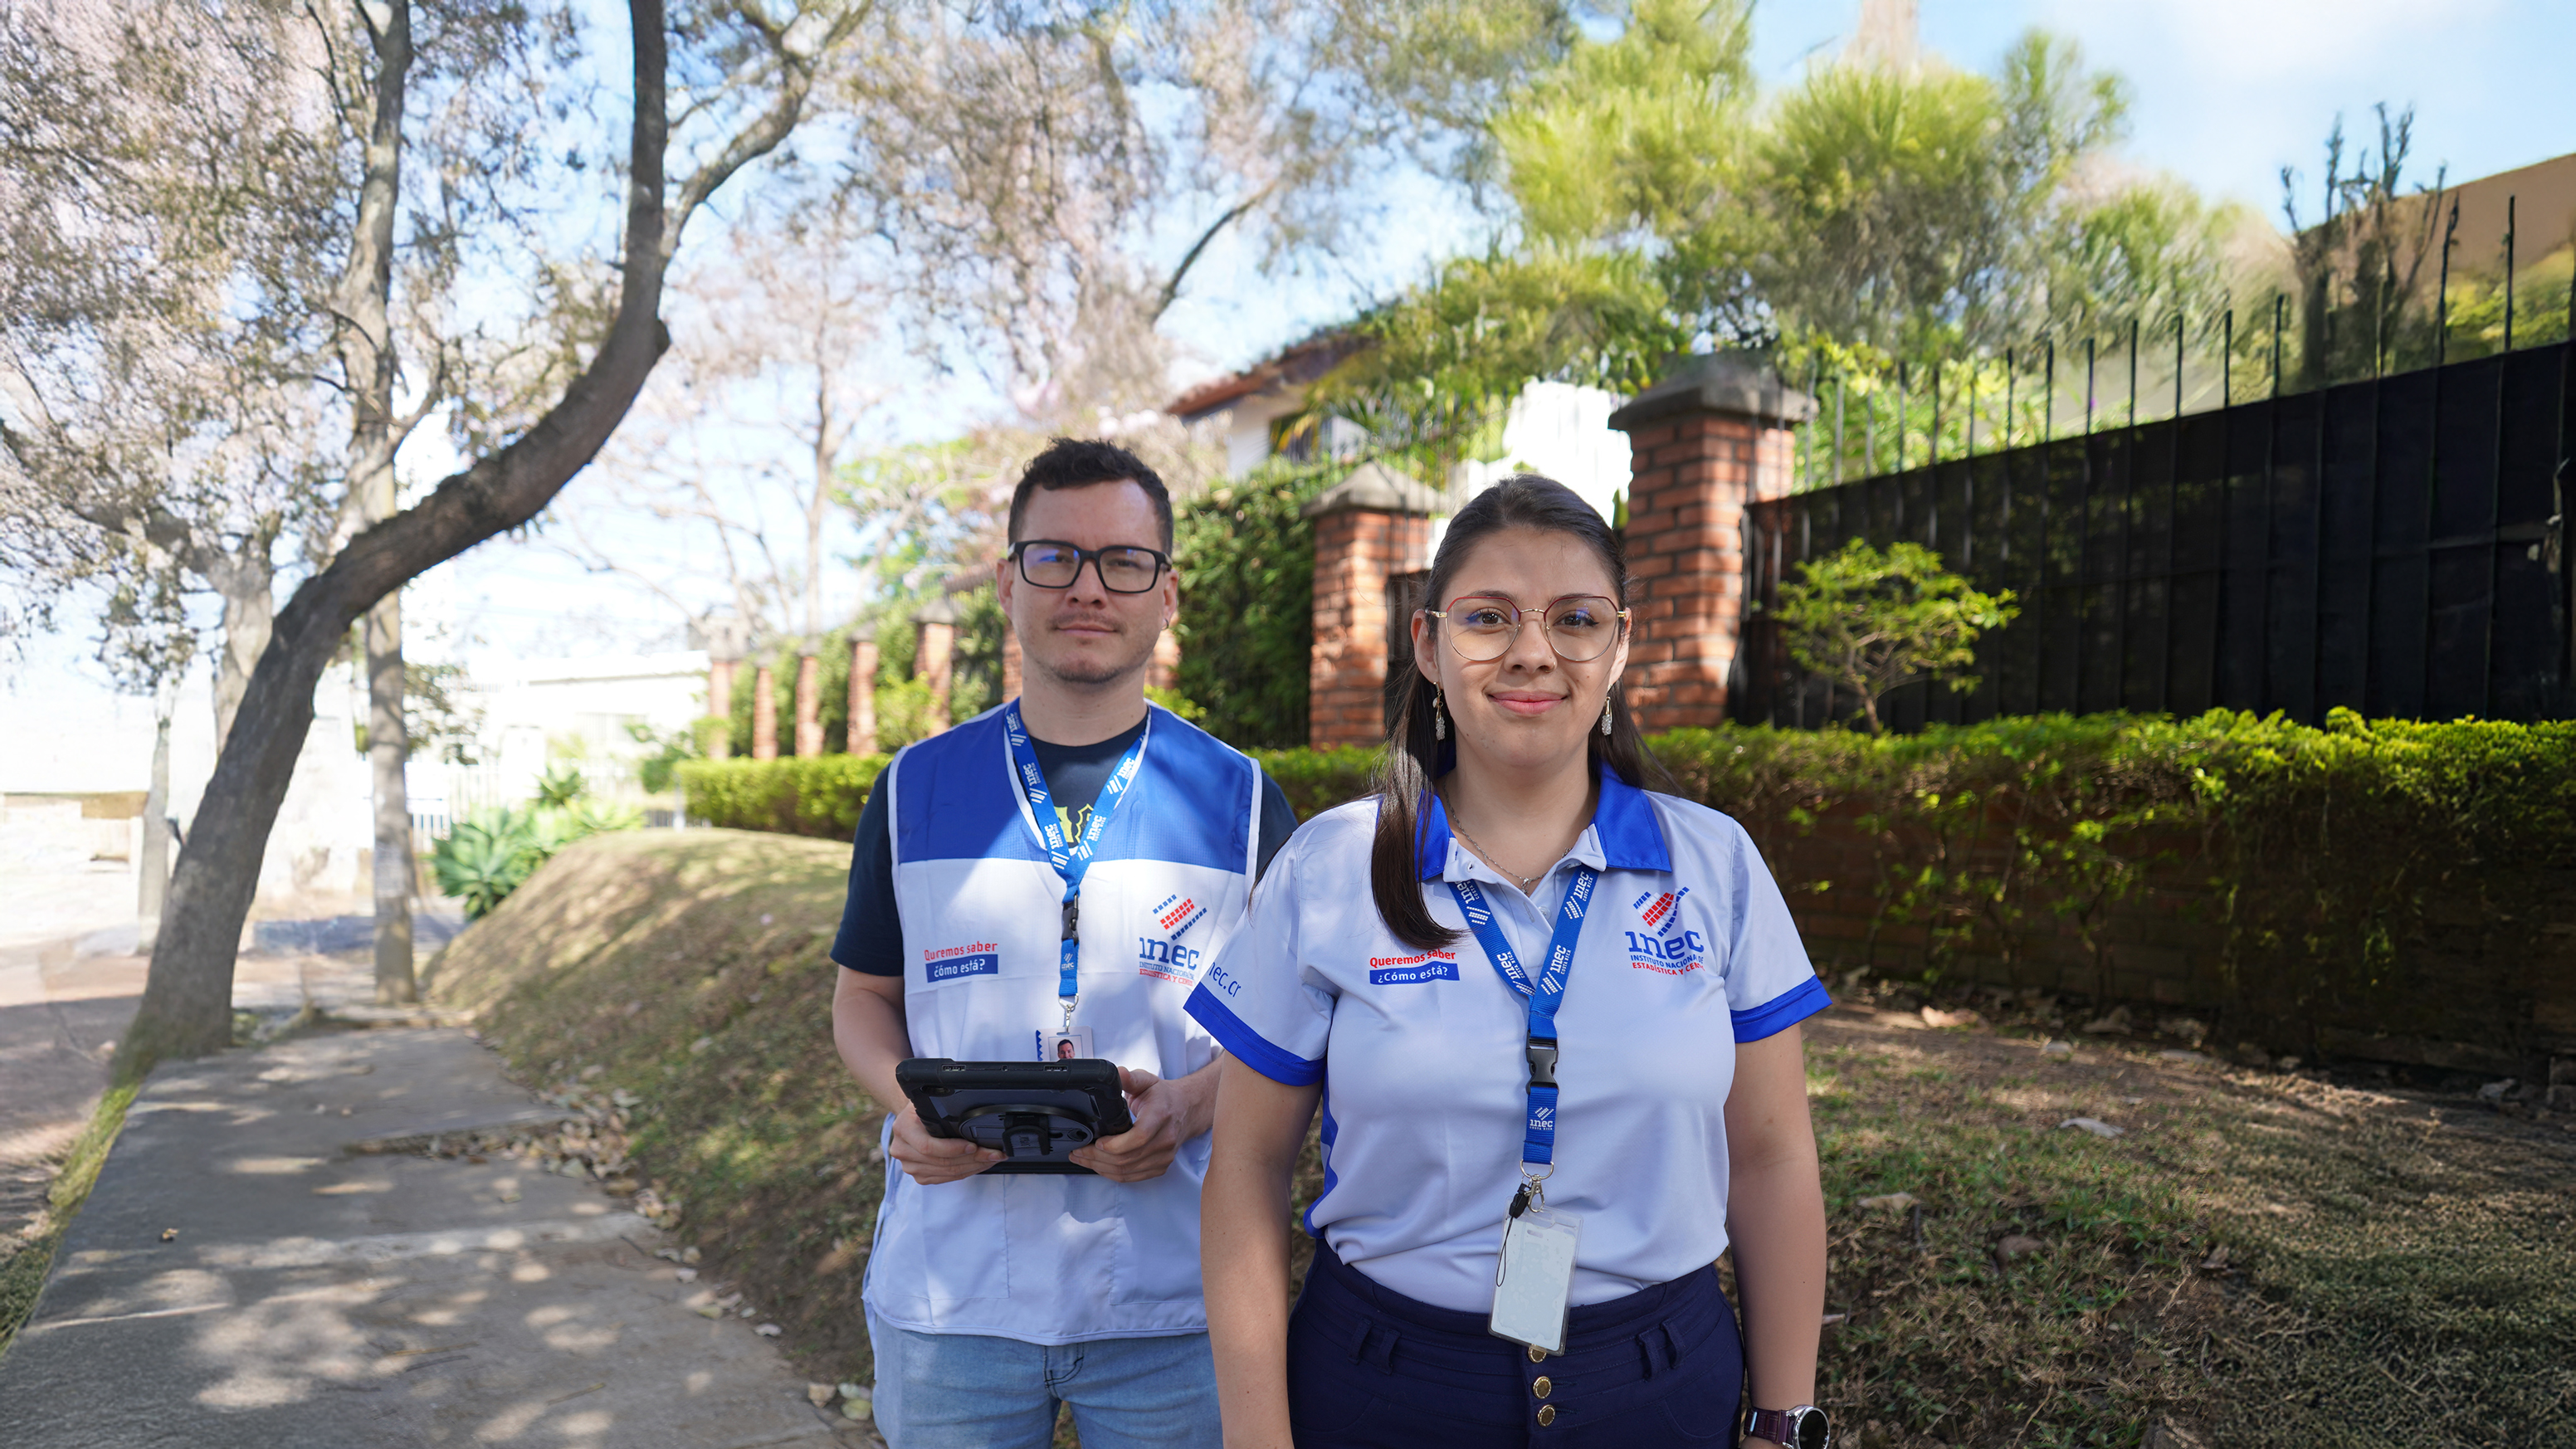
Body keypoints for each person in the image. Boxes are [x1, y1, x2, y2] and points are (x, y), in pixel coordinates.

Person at [1190, 476, 1836, 1449]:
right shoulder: (1332, 866)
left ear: (1617, 647)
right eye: (1487, 617)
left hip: (1658, 1385)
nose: (1531, 650)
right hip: (1384, 1387)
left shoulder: (1714, 865)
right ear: (1428, 646)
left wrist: (1781, 1422)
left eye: (1574, 618)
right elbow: (1243, 1165)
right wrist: (1255, 1439)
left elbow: (1772, 1157)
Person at [831, 437, 1299, 1449]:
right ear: (1007, 581)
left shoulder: (1242, 801)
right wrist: (906, 1105)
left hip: (1177, 1302)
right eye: (1055, 557)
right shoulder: (913, 790)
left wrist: (1187, 1103)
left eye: (1123, 562)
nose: (1088, 587)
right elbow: (863, 996)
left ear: (1165, 594)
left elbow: (1290, 1033)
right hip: (951, 1302)